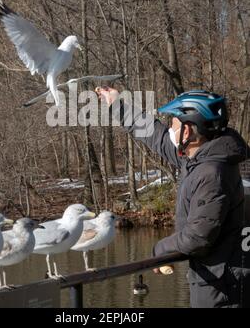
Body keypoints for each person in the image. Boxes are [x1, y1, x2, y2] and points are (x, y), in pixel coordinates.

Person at [96, 87, 250, 308]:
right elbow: (156, 136)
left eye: (174, 125)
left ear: (187, 132)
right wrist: (118, 106)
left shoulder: (211, 173)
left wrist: (160, 250)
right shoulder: (215, 157)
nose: (170, 129)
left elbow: (197, 237)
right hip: (231, 281)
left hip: (225, 290)